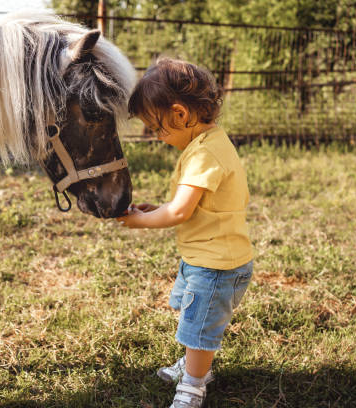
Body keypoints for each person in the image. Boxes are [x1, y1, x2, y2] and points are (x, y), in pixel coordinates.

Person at [117, 58, 254, 408]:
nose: (160, 138)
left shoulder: (204, 154)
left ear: (180, 114)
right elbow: (188, 202)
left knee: (199, 329)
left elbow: (179, 211)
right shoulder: (207, 143)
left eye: (159, 128)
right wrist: (156, 208)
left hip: (215, 266)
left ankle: (194, 384)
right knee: (193, 316)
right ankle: (194, 366)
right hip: (204, 258)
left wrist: (140, 221)